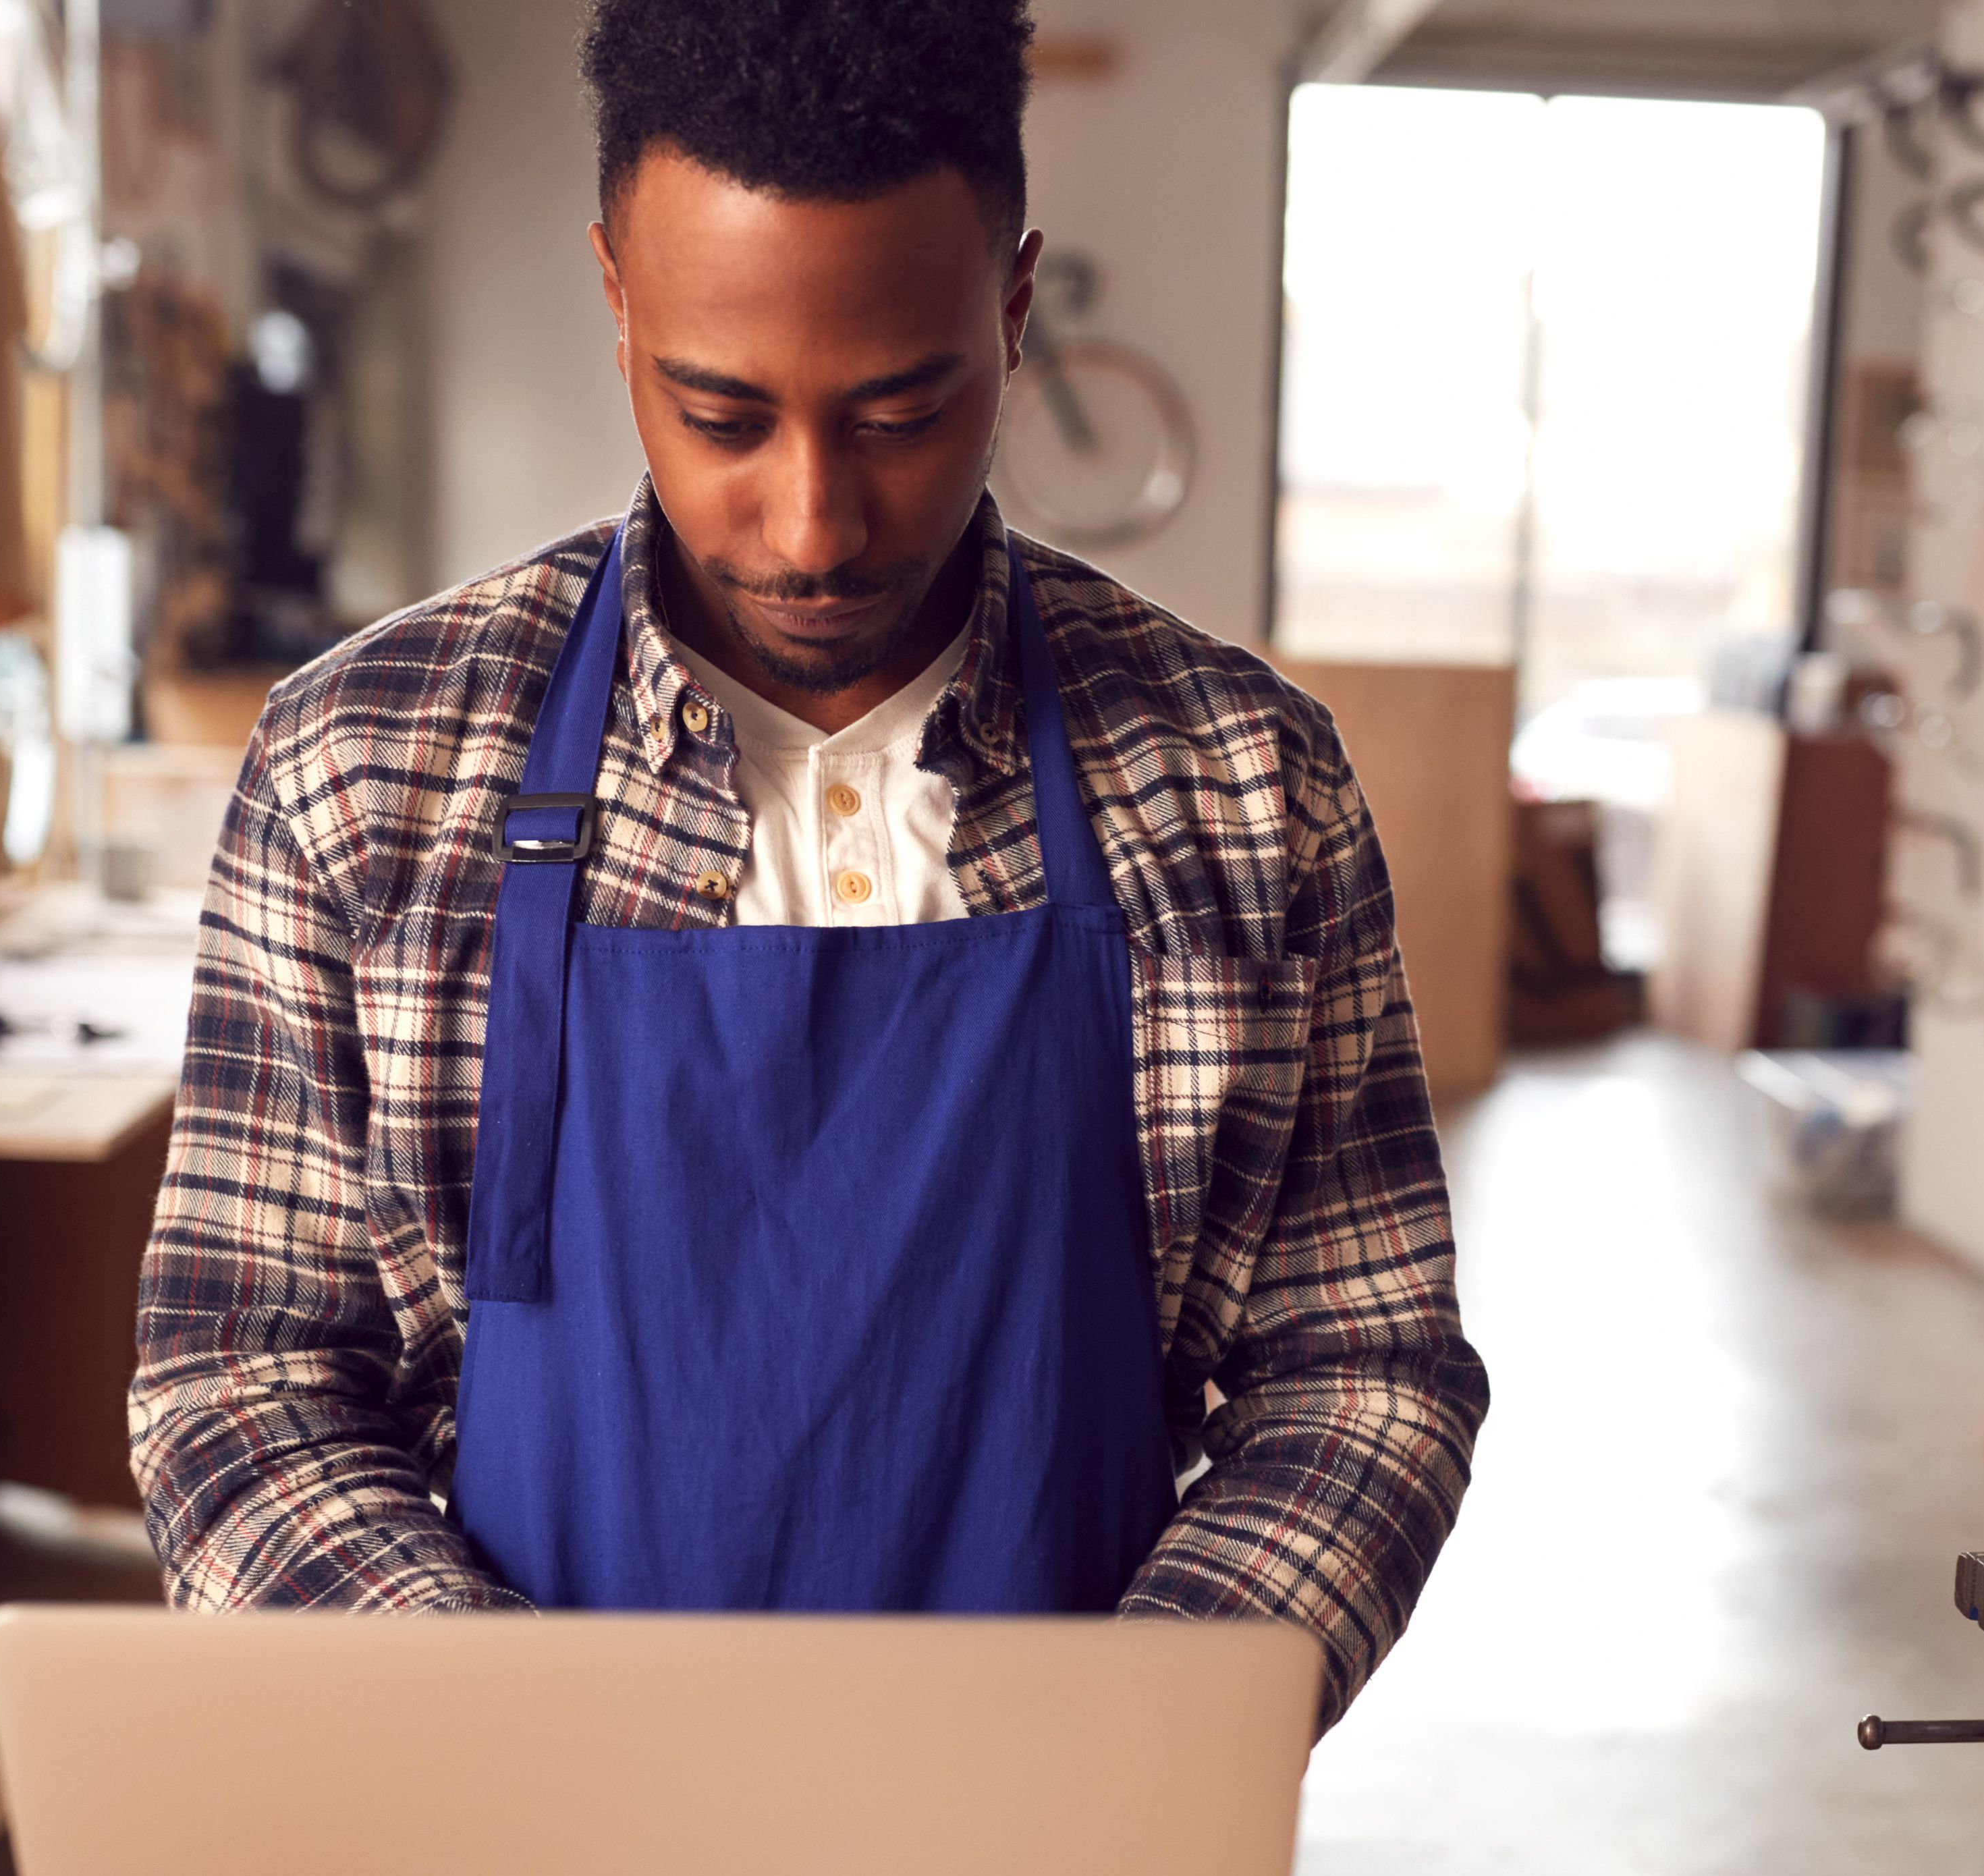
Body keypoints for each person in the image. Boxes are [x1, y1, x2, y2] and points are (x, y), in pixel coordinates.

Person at [128, 0, 1485, 1725]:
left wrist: (1142, 1740)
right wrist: (513, 1739)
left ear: (1011, 305)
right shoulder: (366, 773)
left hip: (1056, 1875)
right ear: (617, 296)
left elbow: (1360, 1372)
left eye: (902, 413)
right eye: (721, 414)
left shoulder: (1237, 788)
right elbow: (236, 1389)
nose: (811, 523)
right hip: (529, 1858)